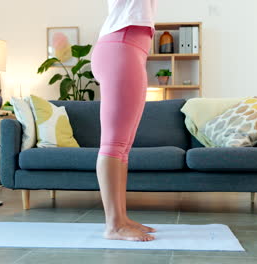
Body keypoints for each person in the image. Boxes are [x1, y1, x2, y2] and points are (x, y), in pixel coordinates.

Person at [90, 0, 158, 242]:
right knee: (113, 145)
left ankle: (120, 218)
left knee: (122, 148)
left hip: (129, 47)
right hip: (121, 45)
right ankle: (113, 225)